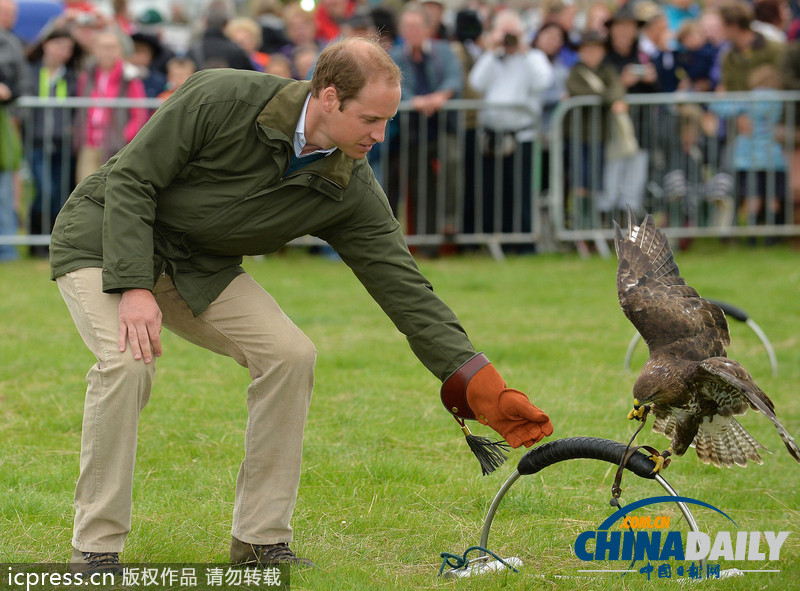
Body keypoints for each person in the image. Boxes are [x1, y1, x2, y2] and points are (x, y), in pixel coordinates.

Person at [50, 36, 553, 574]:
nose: (380, 136)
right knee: (127, 363)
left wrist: (473, 378)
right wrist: (134, 287)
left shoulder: (350, 185)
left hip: (198, 267)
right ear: (330, 97)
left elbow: (404, 287)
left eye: (388, 121)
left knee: (291, 356)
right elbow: (132, 179)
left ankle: (260, 542)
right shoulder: (221, 96)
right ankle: (95, 550)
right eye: (370, 119)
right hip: (103, 239)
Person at [467, 8, 553, 246]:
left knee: (521, 192)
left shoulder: (533, 57)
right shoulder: (492, 57)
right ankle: (495, 241)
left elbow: (543, 80)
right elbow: (476, 82)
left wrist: (524, 50)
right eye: (504, 32)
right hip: (491, 135)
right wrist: (492, 50)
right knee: (493, 192)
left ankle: (523, 243)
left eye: (512, 32)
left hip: (522, 135)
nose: (509, 37)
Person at [388, 2, 464, 255]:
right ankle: (427, 243)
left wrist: (440, 97)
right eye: (407, 27)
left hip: (443, 126)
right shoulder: (396, 56)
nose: (411, 31)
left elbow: (455, 78)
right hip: (413, 132)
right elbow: (393, 84)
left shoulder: (444, 51)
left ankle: (450, 220)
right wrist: (415, 102)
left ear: (428, 28)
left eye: (416, 26)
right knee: (421, 186)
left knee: (452, 160)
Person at [24, 26, 82, 258]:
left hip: (62, 144)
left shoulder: (72, 76)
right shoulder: (30, 71)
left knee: (59, 194)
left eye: (68, 48)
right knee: (44, 190)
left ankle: (51, 241)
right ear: (46, 44)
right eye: (59, 45)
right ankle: (36, 240)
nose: (63, 52)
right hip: (36, 141)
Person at [74, 27, 149, 182]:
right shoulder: (86, 75)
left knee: (111, 187)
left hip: (117, 146)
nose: (107, 52)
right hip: (90, 143)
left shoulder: (130, 77)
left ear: (120, 50)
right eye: (103, 47)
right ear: (95, 50)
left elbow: (139, 113)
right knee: (85, 188)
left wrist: (125, 137)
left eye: (112, 47)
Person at [0, 0, 30, 262]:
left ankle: (7, 248)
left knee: (5, 188)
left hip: (5, 122)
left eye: (11, 13)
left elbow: (23, 82)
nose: (8, 17)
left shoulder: (14, 43)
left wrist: (16, 113)